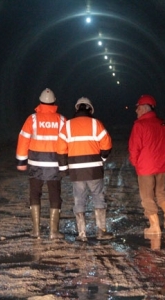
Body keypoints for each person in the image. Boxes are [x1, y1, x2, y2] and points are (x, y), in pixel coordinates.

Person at [57, 97, 114, 242]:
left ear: (77, 109)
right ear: (90, 109)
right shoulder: (96, 124)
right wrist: (102, 159)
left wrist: (64, 169)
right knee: (98, 198)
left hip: (76, 171)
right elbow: (107, 145)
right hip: (94, 169)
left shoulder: (67, 125)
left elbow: (61, 149)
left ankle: (82, 234)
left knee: (79, 200)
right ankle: (101, 231)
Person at [16, 88, 66, 240]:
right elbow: (66, 142)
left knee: (34, 193)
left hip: (35, 163)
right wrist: (66, 163)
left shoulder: (32, 119)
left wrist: (21, 161)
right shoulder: (62, 120)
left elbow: (24, 139)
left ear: (40, 101)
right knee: (55, 194)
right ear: (54, 102)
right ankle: (53, 231)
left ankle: (36, 231)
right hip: (54, 163)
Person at [128, 94, 165, 235]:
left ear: (144, 108)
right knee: (160, 192)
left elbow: (134, 147)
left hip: (146, 167)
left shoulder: (139, 125)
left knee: (147, 196)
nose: (136, 111)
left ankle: (155, 226)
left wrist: (135, 162)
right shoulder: (163, 124)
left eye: (138, 108)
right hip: (162, 164)